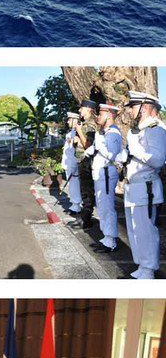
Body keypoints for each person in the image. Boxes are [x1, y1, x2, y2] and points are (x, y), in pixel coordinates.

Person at [120, 89, 166, 280]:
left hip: (146, 188)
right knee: (134, 230)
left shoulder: (156, 130)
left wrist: (135, 149)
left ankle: (148, 270)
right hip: (133, 188)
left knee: (146, 231)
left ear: (145, 108)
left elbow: (158, 160)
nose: (130, 112)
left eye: (133, 107)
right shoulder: (136, 131)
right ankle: (141, 265)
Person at [91, 101, 122, 250]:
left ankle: (111, 241)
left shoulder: (114, 133)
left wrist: (100, 145)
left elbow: (112, 155)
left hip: (107, 173)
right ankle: (106, 236)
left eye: (101, 114)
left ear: (109, 115)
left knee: (107, 207)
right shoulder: (105, 133)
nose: (98, 116)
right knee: (102, 206)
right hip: (100, 173)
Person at [73, 101, 97, 229]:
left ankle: (87, 218)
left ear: (88, 109)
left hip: (87, 161)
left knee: (87, 191)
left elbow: (88, 145)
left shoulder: (91, 125)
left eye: (81, 108)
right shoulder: (84, 124)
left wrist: (79, 131)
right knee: (84, 190)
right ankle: (84, 216)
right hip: (81, 160)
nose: (79, 110)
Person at [61, 112, 82, 217]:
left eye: (70, 119)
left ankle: (76, 205)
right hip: (68, 162)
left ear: (75, 120)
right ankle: (74, 204)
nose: (68, 121)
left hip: (73, 163)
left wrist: (74, 164)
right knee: (71, 185)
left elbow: (75, 150)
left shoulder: (78, 133)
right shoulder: (70, 134)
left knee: (74, 184)